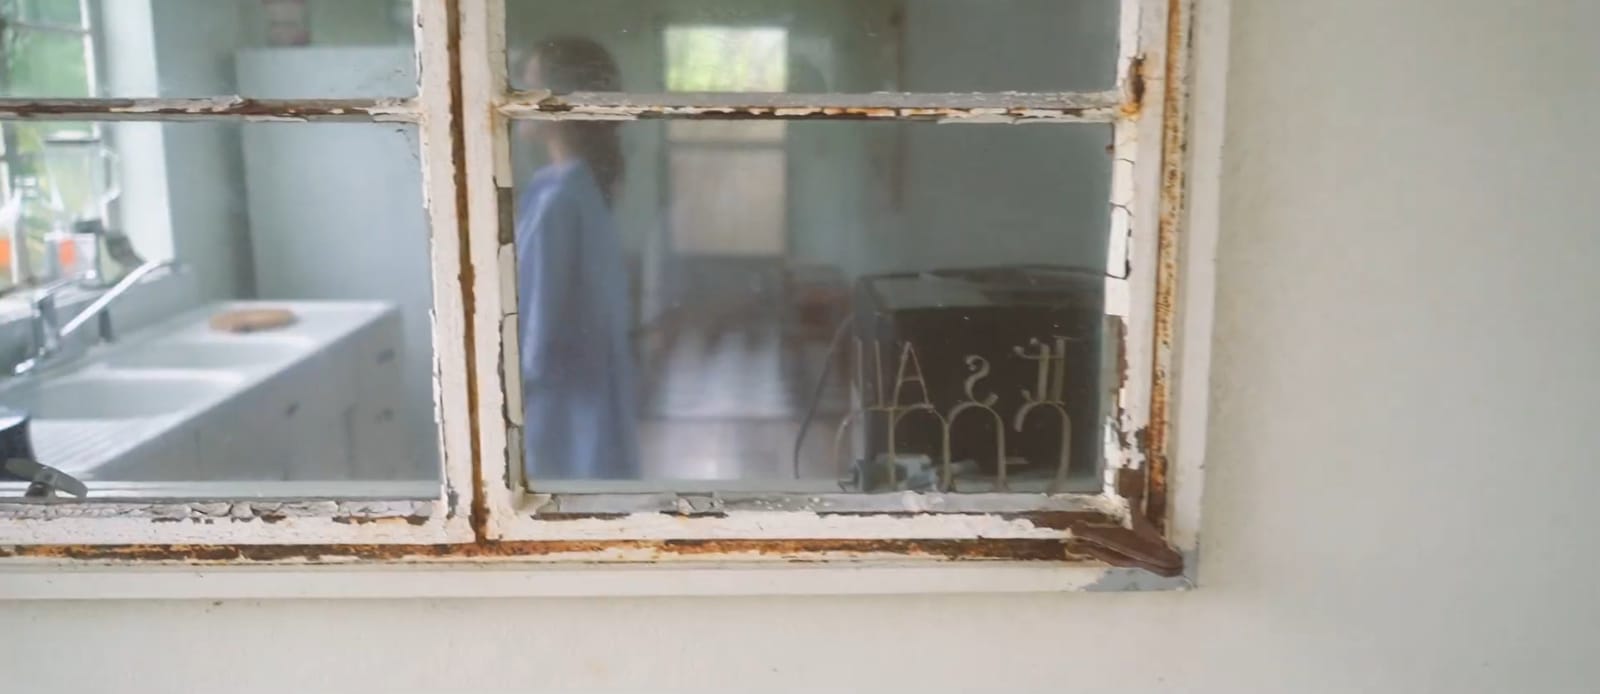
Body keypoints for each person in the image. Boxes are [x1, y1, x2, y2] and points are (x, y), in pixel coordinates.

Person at [515, 37, 639, 480]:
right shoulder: (577, 188)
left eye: (529, 83)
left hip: (561, 412)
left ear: (558, 103)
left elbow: (536, 332)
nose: (518, 96)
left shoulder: (559, 201)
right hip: (583, 404)